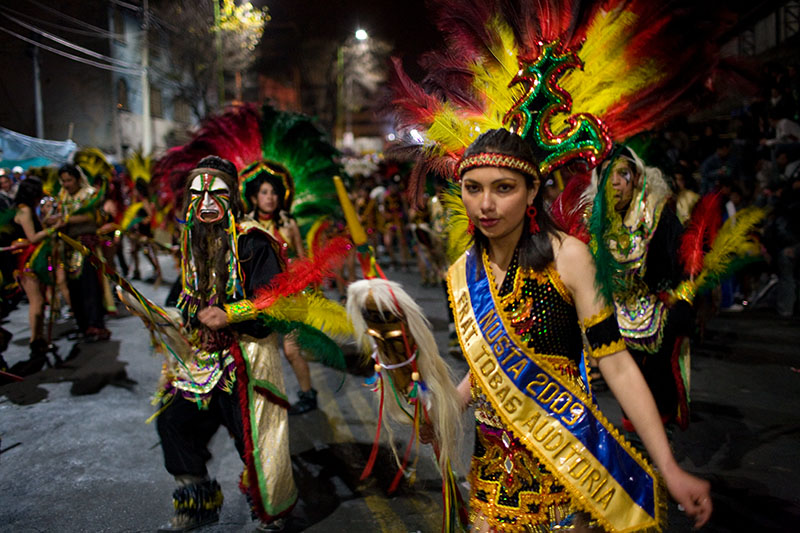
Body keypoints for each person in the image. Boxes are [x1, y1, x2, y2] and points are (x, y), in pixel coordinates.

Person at [446, 129, 711, 532]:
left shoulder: (567, 257)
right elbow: (485, 368)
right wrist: (444, 405)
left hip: (565, 464)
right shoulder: (465, 270)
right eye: (472, 188)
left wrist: (669, 467)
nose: (485, 205)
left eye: (503, 188)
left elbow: (617, 364)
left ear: (532, 190)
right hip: (491, 468)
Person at [153, 156, 296, 532]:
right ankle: (198, 499)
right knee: (173, 421)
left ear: (232, 196)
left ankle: (266, 505)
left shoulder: (253, 241)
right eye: (197, 195)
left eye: (216, 193)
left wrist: (229, 314)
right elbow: (182, 299)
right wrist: (159, 317)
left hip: (244, 356)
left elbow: (279, 302)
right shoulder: (192, 240)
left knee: (249, 433)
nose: (206, 203)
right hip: (201, 357)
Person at [582, 146, 694, 434]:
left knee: (658, 385)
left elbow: (682, 265)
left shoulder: (657, 216)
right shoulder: (592, 220)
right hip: (613, 315)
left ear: (637, 178)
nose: (616, 182)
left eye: (623, 174)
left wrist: (680, 301)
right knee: (627, 395)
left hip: (655, 314)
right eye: (608, 175)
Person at [243, 169, 318, 415]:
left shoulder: (288, 223)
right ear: (254, 197)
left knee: (291, 350)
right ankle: (259, 400)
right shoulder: (245, 226)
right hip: (258, 300)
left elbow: (303, 257)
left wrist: (305, 282)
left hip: (289, 297)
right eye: (264, 192)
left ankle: (308, 395)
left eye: (274, 192)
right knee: (258, 353)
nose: (270, 197)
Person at [57, 163, 110, 342]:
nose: (66, 184)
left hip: (85, 246)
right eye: (63, 181)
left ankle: (96, 325)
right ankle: (82, 325)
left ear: (78, 179)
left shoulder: (90, 194)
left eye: (69, 180)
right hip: (67, 247)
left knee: (90, 287)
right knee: (74, 289)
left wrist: (65, 219)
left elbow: (92, 217)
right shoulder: (62, 195)